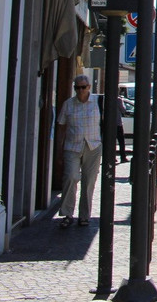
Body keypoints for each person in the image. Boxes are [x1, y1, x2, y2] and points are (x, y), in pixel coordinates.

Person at [56, 76, 102, 228]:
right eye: (77, 87)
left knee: (89, 182)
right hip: (72, 146)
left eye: (83, 87)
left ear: (89, 87)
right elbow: (61, 126)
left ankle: (84, 216)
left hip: (93, 147)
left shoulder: (98, 103)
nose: (80, 91)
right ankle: (67, 214)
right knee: (70, 177)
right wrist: (59, 148)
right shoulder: (68, 104)